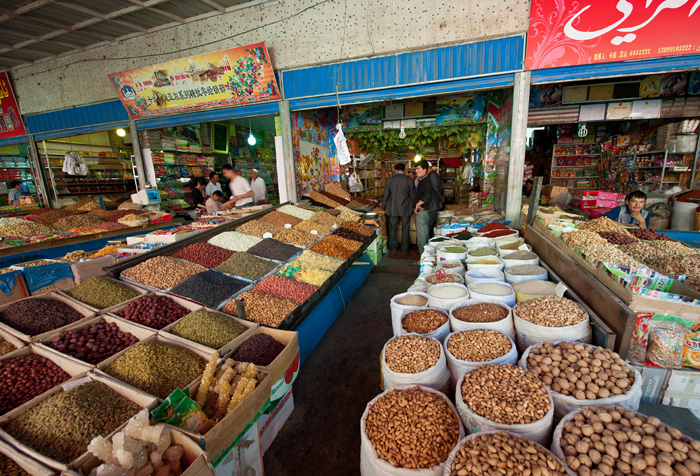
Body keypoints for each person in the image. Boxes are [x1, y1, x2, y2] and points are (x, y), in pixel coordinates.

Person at [382, 163, 415, 254]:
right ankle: (405, 249)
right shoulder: (410, 180)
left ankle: (393, 248)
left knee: (393, 228)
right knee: (405, 228)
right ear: (404, 171)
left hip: (392, 209)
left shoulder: (390, 180)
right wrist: (414, 208)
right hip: (405, 209)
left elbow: (386, 195)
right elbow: (413, 196)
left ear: (395, 170)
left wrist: (383, 206)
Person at [413, 161, 433, 256]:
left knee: (421, 237)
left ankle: (422, 258)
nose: (416, 171)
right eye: (416, 169)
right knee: (424, 235)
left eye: (418, 169)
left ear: (425, 170)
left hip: (422, 211)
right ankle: (425, 257)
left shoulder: (426, 181)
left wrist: (417, 204)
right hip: (424, 211)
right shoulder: (423, 180)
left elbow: (427, 196)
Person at [427, 165, 443, 238]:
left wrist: (440, 198)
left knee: (431, 222)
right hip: (433, 202)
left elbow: (435, 189)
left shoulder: (432, 175)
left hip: (434, 202)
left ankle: (430, 238)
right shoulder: (431, 175)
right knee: (431, 221)